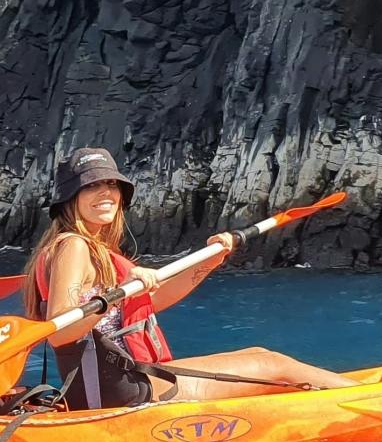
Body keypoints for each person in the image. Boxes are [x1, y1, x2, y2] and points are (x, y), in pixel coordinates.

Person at [26, 147, 357, 410]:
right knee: (269, 362)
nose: (106, 193)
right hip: (118, 391)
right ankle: (377, 398)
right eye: (92, 186)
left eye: (111, 184)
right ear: (70, 200)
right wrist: (117, 293)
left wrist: (210, 262)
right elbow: (61, 330)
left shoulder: (90, 249)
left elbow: (151, 302)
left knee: (260, 355)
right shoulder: (73, 245)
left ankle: (361, 392)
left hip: (121, 382)